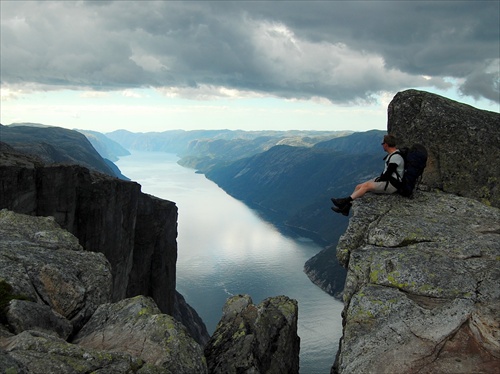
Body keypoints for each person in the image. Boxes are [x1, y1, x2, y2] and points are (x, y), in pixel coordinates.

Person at [331, 134, 404, 216]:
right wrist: (378, 179)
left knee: (366, 186)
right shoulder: (393, 155)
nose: (382, 146)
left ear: (386, 144)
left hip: (392, 185)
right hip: (389, 181)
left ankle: (344, 201)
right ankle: (346, 208)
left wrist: (378, 180)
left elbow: (388, 174)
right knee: (359, 186)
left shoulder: (395, 157)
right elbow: (387, 173)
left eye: (382, 144)